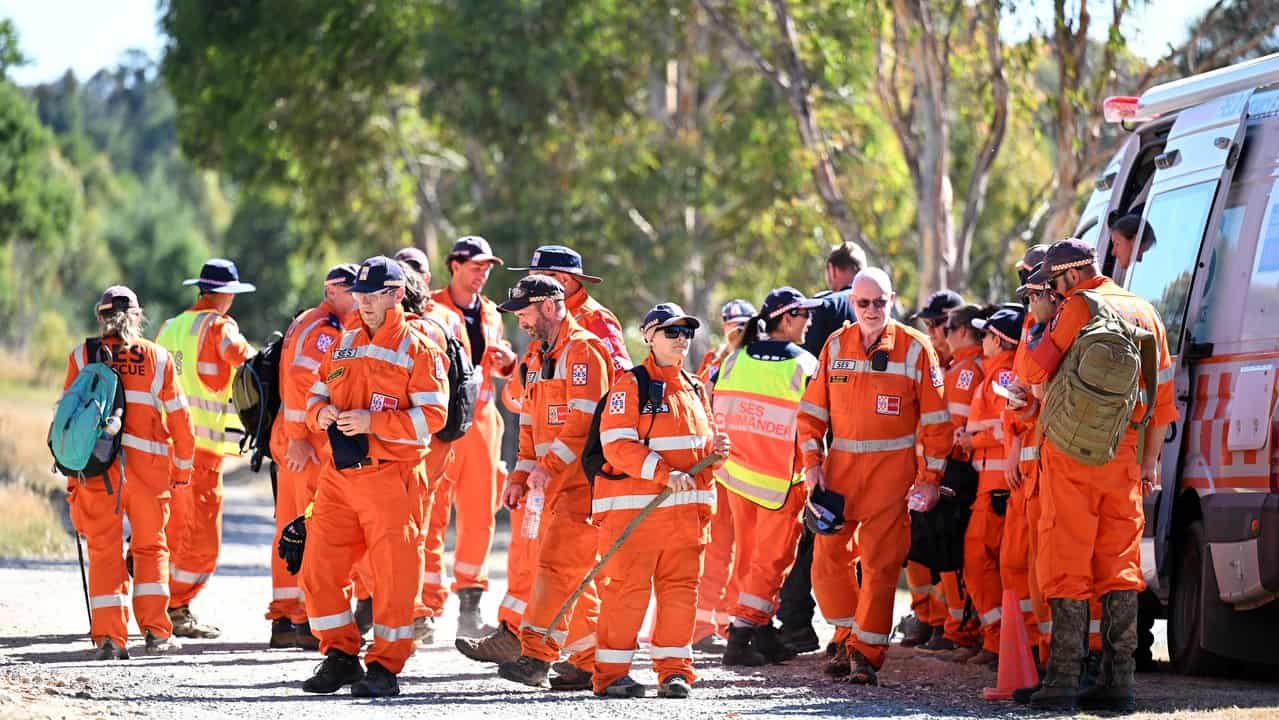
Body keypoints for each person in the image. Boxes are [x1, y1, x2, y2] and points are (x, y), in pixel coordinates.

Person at [1021, 239, 1176, 711]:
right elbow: (1162, 403)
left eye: (1053, 282)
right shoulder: (1144, 311)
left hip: (1072, 458)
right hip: (1125, 457)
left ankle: (1064, 678)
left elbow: (1031, 372)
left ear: (1067, 277)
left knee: (1066, 559)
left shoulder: (1078, 309)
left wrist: (1039, 321)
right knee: (1120, 566)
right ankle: (1118, 683)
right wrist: (1149, 463)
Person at [298, 256, 450, 698]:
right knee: (318, 568)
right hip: (339, 477)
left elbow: (434, 416)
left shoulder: (420, 347)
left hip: (392, 478)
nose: (363, 303)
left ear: (397, 294)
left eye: (372, 295)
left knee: (394, 579)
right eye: (359, 295)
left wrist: (373, 423)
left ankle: (385, 666)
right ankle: (341, 656)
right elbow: (315, 393)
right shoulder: (343, 342)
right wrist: (319, 412)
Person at [797, 267, 952, 685]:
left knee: (882, 567)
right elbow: (811, 414)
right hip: (839, 475)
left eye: (880, 302)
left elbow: (938, 424)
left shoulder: (915, 348)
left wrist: (929, 479)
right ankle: (845, 635)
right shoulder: (835, 345)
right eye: (863, 302)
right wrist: (812, 464)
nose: (871, 310)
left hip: (892, 476)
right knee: (827, 562)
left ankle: (865, 654)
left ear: (892, 300)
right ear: (852, 302)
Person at [592, 303, 731, 698]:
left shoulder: (695, 387)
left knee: (681, 594)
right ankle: (611, 674)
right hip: (638, 516)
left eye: (685, 332)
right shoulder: (631, 384)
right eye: (672, 332)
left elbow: (698, 450)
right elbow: (616, 444)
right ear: (648, 336)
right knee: (627, 593)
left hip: (686, 519)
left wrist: (718, 451)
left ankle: (674, 672)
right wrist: (661, 472)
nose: (681, 340)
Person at [494, 275, 615, 691]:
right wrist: (522, 474)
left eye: (525, 312)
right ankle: (591, 662)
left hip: (581, 485)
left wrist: (545, 466)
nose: (521, 321)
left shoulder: (585, 351)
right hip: (549, 486)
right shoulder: (536, 357)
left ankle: (536, 656)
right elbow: (527, 423)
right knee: (572, 575)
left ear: (549, 305)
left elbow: (584, 421)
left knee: (555, 568)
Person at [65, 286, 195, 659]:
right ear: (138, 317)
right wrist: (182, 471)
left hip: (96, 471)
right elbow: (182, 422)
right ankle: (156, 633)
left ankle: (108, 639)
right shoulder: (157, 358)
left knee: (104, 550)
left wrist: (72, 477)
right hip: (147, 473)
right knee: (151, 548)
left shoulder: (83, 356)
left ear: (99, 316)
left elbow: (68, 421)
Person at [712, 288, 819, 667]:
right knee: (772, 561)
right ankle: (741, 636)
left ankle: (758, 630)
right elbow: (815, 424)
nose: (809, 321)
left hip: (738, 476)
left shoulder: (734, 359)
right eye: (804, 315)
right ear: (787, 319)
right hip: (780, 480)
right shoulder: (805, 365)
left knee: (748, 555)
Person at [155, 259, 257, 639]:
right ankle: (176, 607)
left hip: (163, 448)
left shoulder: (170, 327)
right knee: (201, 541)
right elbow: (244, 358)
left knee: (167, 528)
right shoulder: (219, 325)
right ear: (226, 295)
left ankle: (159, 604)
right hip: (201, 453)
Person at [265, 263, 359, 650]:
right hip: (306, 447)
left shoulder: (306, 321)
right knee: (311, 530)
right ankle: (303, 619)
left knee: (290, 528)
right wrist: (299, 437)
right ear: (333, 291)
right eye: (352, 292)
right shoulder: (324, 331)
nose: (358, 300)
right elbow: (301, 383)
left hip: (293, 443)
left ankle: (286, 617)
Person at [428, 237, 518, 638]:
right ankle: (425, 609)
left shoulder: (492, 313)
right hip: (440, 426)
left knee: (480, 516)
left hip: (482, 423)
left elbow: (497, 365)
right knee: (431, 515)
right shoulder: (430, 310)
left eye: (487, 268)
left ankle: (470, 606)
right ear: (454, 266)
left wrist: (509, 362)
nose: (482, 274)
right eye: (475, 266)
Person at [780, 241, 865, 655]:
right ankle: (864, 628)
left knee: (814, 529)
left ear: (833, 271)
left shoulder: (821, 308)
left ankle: (797, 622)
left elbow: (806, 378)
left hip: (824, 438)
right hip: (872, 443)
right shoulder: (884, 314)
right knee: (865, 537)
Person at [393, 251, 464, 646]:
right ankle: (417, 610)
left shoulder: (415, 331)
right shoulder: (444, 320)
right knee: (424, 529)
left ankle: (413, 612)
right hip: (439, 443)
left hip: (414, 443)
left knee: (406, 531)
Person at [917, 303, 988, 655]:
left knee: (952, 557)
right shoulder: (964, 368)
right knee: (944, 555)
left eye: (945, 328)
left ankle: (957, 629)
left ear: (960, 332)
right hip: (952, 470)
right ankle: (952, 626)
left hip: (955, 473)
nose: (940, 335)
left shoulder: (964, 371)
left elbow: (950, 426)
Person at [956, 306, 1025, 667]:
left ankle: (999, 641)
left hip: (997, 486)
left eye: (985, 335)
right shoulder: (997, 373)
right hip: (994, 484)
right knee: (993, 564)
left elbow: (1006, 429)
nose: (981, 340)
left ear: (998, 340)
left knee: (980, 561)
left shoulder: (1004, 376)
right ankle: (1000, 639)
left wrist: (972, 442)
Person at [900, 289, 965, 648]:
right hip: (919, 470)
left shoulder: (963, 368)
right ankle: (925, 617)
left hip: (951, 471)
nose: (930, 333)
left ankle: (946, 625)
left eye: (934, 325)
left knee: (945, 552)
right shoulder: (929, 364)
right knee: (918, 551)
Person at [690, 298, 756, 654]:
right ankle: (702, 626)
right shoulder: (714, 361)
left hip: (749, 469)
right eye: (732, 323)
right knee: (715, 550)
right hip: (719, 466)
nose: (738, 330)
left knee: (747, 552)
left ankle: (730, 620)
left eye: (744, 324)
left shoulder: (759, 361)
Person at [696, 299, 755, 384]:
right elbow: (700, 389)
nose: (739, 330)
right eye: (733, 325)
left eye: (744, 324)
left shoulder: (762, 357)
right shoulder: (711, 357)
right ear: (724, 327)